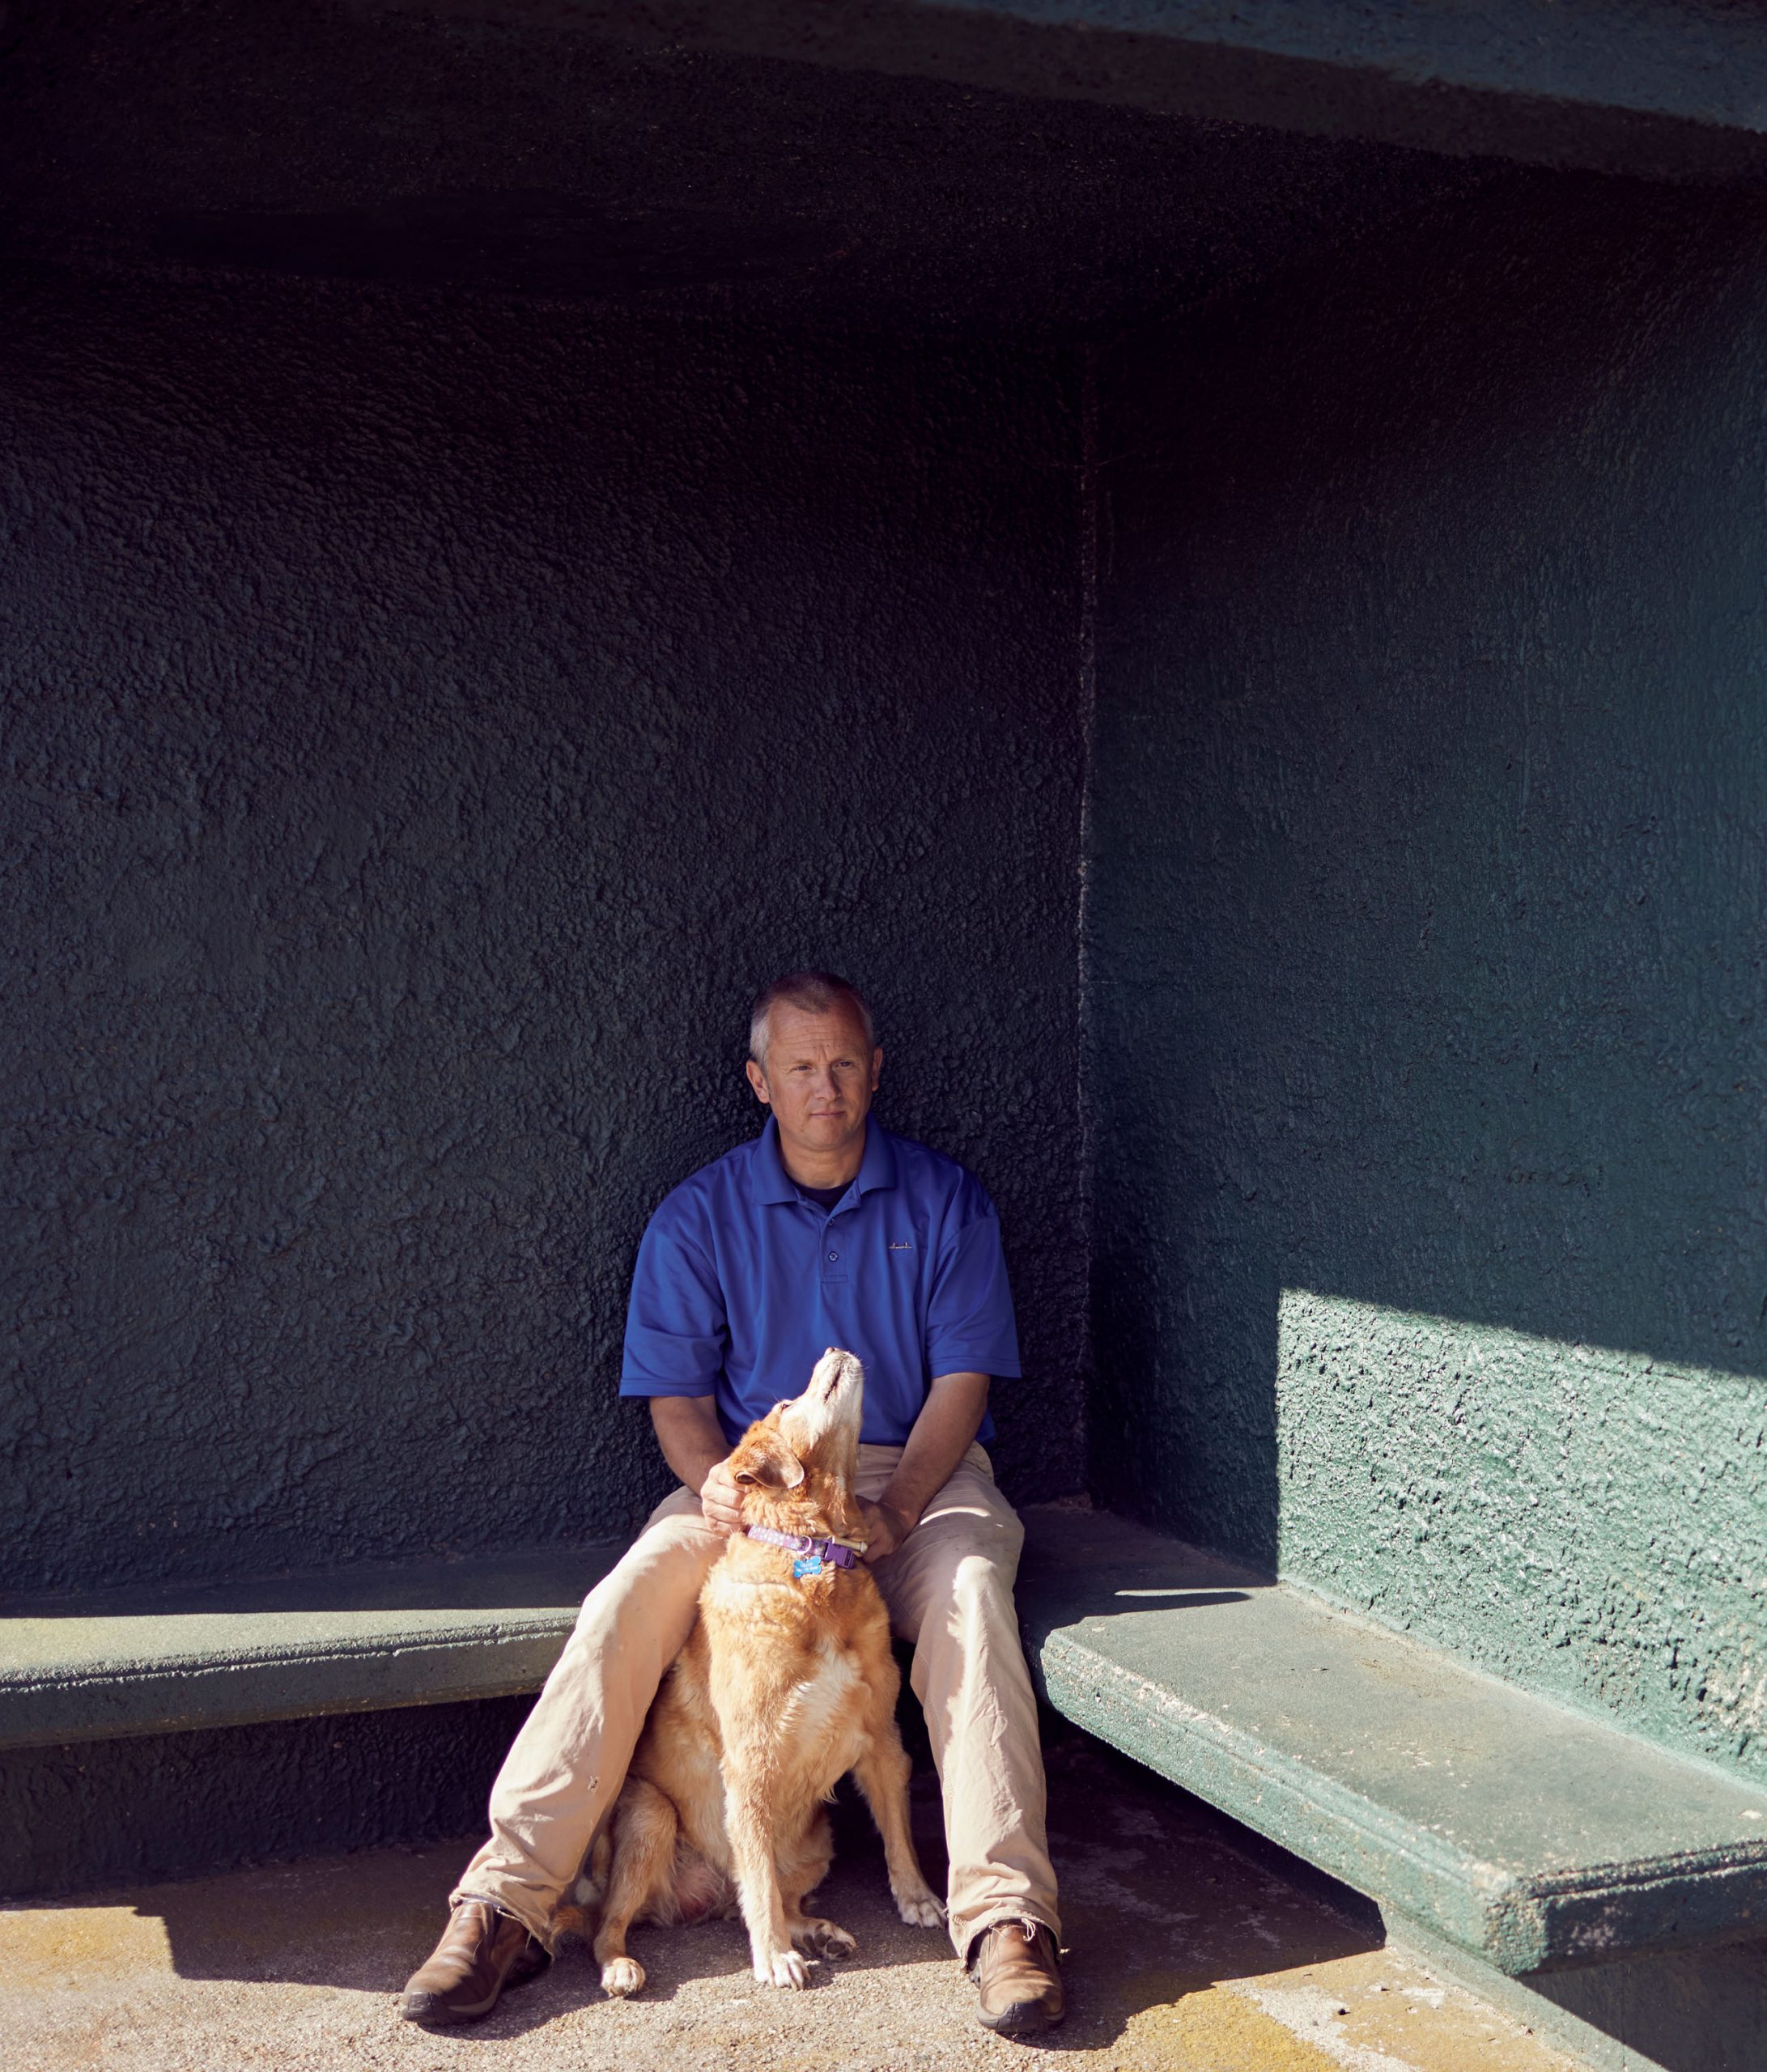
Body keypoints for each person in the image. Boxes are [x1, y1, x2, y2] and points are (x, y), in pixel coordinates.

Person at [400, 970, 1064, 2036]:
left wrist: (894, 1516)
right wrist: (724, 1493)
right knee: (628, 1603)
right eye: (801, 1067)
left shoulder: (948, 1202)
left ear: (875, 1069)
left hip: (914, 1480)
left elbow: (962, 1389)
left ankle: (1005, 1920)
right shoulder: (695, 1218)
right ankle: (507, 1903)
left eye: (845, 1063)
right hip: (761, 1487)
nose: (826, 1087)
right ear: (761, 1081)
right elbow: (677, 1408)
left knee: (973, 1600)